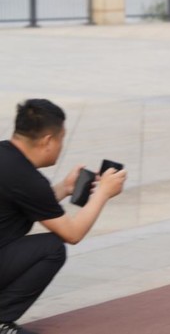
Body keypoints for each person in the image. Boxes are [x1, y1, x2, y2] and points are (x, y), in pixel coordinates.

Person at [0, 99, 126, 334]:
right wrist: (103, 193)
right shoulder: (27, 179)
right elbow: (73, 233)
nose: (61, 145)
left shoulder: (6, 157)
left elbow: (29, 202)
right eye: (61, 139)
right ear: (48, 141)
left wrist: (65, 188)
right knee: (52, 248)